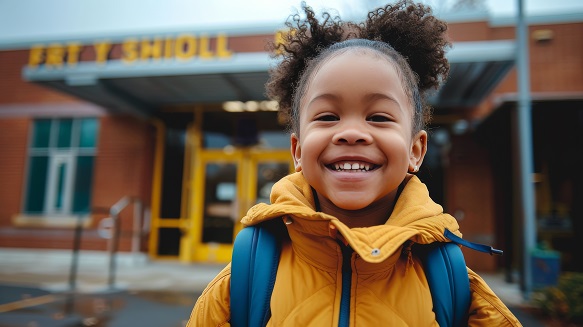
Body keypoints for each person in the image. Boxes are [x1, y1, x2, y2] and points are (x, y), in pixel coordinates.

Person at [187, 1, 522, 326]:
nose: (351, 133)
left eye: (378, 117)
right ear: (298, 151)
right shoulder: (246, 275)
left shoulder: (450, 280)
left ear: (416, 151)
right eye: (328, 116)